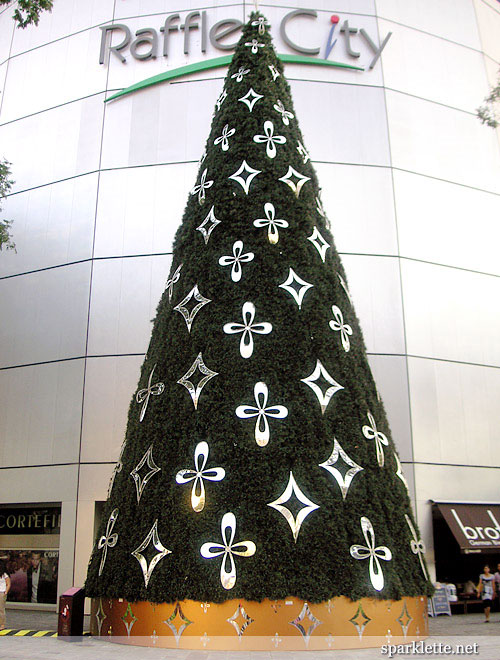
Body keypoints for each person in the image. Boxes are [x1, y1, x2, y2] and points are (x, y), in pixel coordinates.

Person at [0, 560, 11, 630]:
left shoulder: (4, 575)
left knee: (1, 609)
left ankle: (2, 624)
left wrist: (6, 592)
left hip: (1, 592)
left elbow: (8, 583)